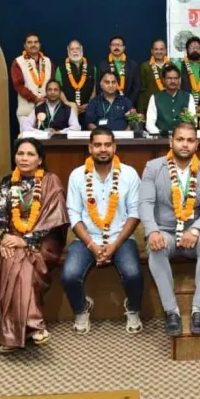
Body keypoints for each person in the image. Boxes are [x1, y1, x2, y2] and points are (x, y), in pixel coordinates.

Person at [62, 128, 143, 335]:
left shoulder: (129, 174)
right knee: (69, 275)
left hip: (121, 238)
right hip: (86, 239)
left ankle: (133, 308)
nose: (103, 149)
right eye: (98, 145)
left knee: (134, 274)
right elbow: (74, 215)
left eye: (107, 144)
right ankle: (81, 308)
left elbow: (135, 213)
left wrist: (114, 245)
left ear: (114, 147)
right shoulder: (77, 175)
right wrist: (92, 245)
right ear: (90, 148)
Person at [139, 123, 200, 336]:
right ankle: (171, 311)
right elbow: (145, 203)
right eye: (180, 139)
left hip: (193, 231)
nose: (185, 144)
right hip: (165, 231)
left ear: (196, 144)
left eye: (190, 140)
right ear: (171, 141)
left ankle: (199, 308)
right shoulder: (153, 167)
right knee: (156, 248)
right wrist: (152, 231)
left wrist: (196, 230)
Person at [0, 138, 69, 353]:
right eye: (20, 153)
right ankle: (27, 329)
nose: (24, 158)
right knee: (11, 257)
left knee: (22, 257)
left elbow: (55, 221)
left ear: (40, 159)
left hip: (45, 240)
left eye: (30, 154)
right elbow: (0, 217)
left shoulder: (50, 181)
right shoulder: (7, 182)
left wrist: (26, 240)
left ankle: (23, 329)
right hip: (13, 236)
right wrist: (4, 238)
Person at [12, 33, 53, 129]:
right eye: (29, 42)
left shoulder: (48, 61)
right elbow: (18, 85)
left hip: (47, 110)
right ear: (25, 45)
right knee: (28, 138)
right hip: (26, 112)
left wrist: (45, 98)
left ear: (39, 44)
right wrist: (35, 99)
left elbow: (53, 84)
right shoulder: (18, 62)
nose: (33, 44)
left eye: (36, 42)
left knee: (47, 137)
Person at [55, 40, 95, 129]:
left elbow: (94, 89)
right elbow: (59, 90)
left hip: (87, 110)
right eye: (72, 49)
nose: (75, 51)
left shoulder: (92, 68)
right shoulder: (60, 69)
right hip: (68, 110)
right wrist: (68, 104)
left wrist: (88, 105)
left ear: (81, 50)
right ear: (68, 51)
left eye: (77, 48)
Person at [146, 65, 196, 135]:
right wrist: (161, 135)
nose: (173, 81)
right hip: (161, 138)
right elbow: (149, 124)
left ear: (179, 80)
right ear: (163, 80)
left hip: (183, 137)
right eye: (169, 78)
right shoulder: (155, 97)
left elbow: (193, 121)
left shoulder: (188, 96)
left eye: (175, 78)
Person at [96, 36, 140, 107]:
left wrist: (128, 103)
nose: (116, 47)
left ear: (124, 47)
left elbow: (136, 87)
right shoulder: (102, 65)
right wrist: (107, 103)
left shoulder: (133, 65)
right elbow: (99, 87)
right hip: (108, 105)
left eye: (119, 45)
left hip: (128, 105)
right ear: (110, 47)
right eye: (113, 45)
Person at [175, 36, 200, 113]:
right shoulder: (179, 65)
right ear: (187, 50)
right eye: (192, 48)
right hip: (183, 105)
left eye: (197, 48)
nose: (195, 50)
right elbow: (176, 85)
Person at [138, 39, 170, 115]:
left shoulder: (171, 66)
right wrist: (141, 111)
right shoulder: (145, 66)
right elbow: (141, 90)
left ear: (165, 51)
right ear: (152, 51)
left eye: (161, 49)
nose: (159, 52)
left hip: (168, 107)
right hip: (150, 108)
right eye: (156, 49)